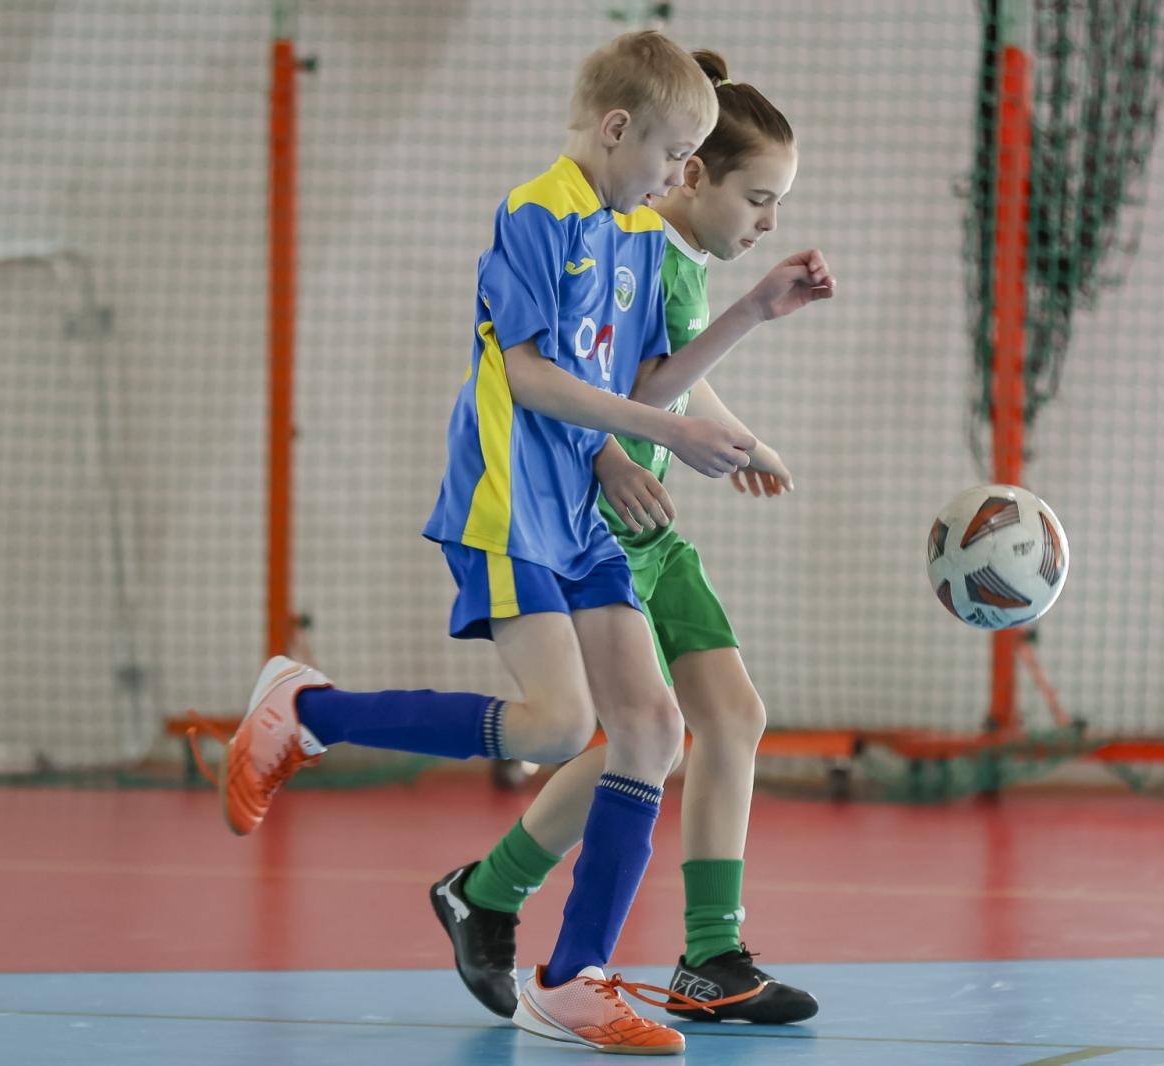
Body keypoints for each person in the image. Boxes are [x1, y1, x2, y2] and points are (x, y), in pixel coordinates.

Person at [216, 29, 833, 1056]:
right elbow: (535, 379)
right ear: (617, 128)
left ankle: (574, 974)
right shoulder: (536, 211)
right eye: (670, 156)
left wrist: (753, 314)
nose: (675, 179)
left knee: (650, 729)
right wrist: (668, 434)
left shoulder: (636, 234)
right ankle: (308, 709)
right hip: (510, 499)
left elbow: (647, 376)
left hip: (582, 516)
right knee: (557, 726)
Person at [432, 50, 817, 1027]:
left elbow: (673, 376)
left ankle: (712, 954)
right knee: (642, 734)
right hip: (602, 518)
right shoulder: (627, 239)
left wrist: (737, 434)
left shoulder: (672, 257)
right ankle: (495, 887)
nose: (768, 222)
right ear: (692, 173)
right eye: (758, 199)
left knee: (730, 714)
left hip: (652, 519)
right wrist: (630, 445)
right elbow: (631, 388)